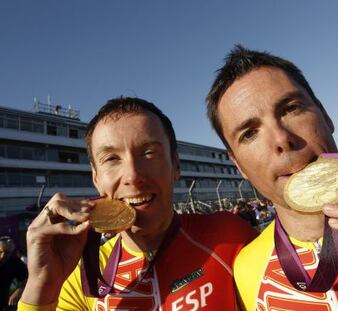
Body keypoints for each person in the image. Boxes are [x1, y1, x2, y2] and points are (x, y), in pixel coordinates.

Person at [206, 45, 338, 311]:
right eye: (249, 133)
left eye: (291, 109)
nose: (282, 139)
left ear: (325, 116)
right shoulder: (245, 271)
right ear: (238, 166)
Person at [18, 97, 257, 310]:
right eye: (112, 159)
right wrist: (41, 286)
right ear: (96, 179)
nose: (132, 176)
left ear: (175, 166)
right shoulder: (79, 278)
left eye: (149, 153)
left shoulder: (230, 234)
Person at [0, 236, 28, 311]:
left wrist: (19, 290)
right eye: (0, 252)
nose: (2, 256)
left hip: (5, 304)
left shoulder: (15, 263)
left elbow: (26, 280)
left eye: (6, 253)